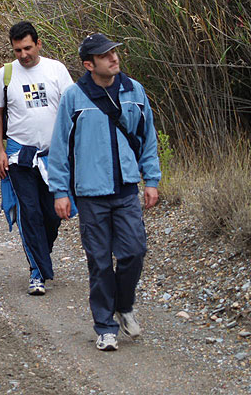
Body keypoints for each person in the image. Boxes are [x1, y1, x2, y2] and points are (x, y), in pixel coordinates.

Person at [48, 33, 161, 351]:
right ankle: (105, 326)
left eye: (114, 52)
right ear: (89, 64)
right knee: (98, 262)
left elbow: (147, 137)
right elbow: (60, 147)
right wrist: (60, 191)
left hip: (126, 189)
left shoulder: (134, 91)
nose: (113, 58)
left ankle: (123, 305)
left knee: (134, 251)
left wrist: (151, 180)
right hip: (90, 192)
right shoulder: (73, 97)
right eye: (104, 55)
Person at [0, 21, 73, 296]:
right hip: (19, 156)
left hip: (53, 156)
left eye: (27, 48)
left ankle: (41, 255)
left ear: (38, 43)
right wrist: (0, 150)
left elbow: (71, 109)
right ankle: (36, 271)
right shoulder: (5, 75)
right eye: (17, 50)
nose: (23, 55)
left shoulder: (56, 70)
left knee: (52, 214)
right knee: (30, 212)